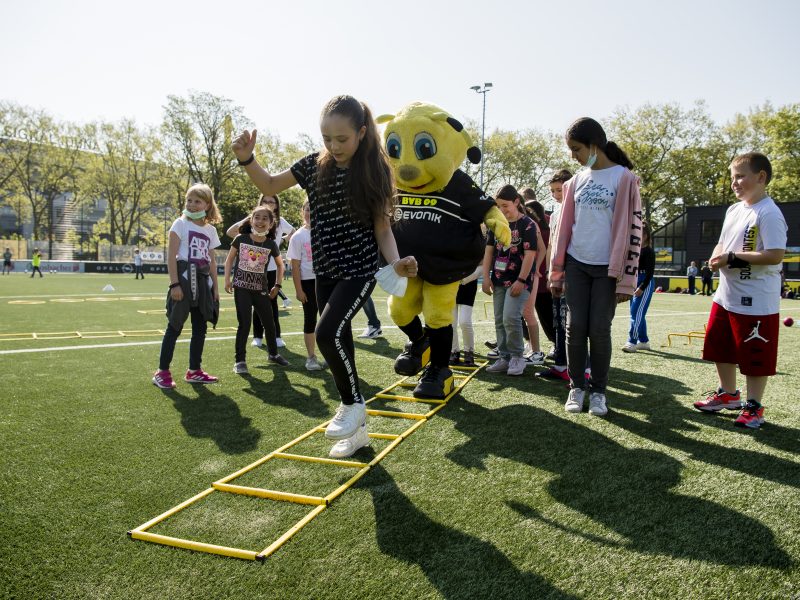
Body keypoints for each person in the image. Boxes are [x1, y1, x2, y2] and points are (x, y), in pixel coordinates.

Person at [232, 94, 417, 459]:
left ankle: (351, 405)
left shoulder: (375, 173)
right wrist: (247, 159)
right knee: (341, 340)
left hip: (359, 270)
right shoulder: (313, 165)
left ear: (361, 132)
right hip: (326, 271)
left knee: (326, 333)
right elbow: (269, 185)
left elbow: (382, 229)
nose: (334, 146)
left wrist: (396, 263)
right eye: (326, 138)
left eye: (342, 138)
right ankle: (359, 433)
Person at [549, 117, 642, 417]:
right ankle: (577, 387)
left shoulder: (625, 178)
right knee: (574, 327)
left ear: (593, 145)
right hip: (576, 264)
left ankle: (599, 391)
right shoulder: (575, 182)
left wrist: (627, 279)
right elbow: (562, 230)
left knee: (599, 329)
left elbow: (634, 230)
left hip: (607, 269)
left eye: (576, 148)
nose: (573, 155)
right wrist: (557, 273)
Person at [693, 152, 787, 429]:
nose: (734, 182)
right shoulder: (734, 210)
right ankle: (729, 394)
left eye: (741, 176)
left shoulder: (769, 212)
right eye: (733, 177)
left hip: (756, 300)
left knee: (755, 354)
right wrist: (716, 257)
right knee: (719, 345)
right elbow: (722, 243)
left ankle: (754, 406)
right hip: (725, 295)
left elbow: (775, 254)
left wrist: (732, 258)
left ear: (761, 177)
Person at [152, 183, 222, 389]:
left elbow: (211, 261)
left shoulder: (210, 230)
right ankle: (162, 372)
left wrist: (215, 288)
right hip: (183, 279)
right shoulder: (180, 224)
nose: (191, 205)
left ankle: (194, 371)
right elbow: (171, 257)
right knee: (174, 326)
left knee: (200, 328)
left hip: (202, 282)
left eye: (197, 201)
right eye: (189, 200)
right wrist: (174, 284)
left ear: (207, 205)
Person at [224, 204, 289, 374]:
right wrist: (227, 280)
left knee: (270, 323)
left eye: (265, 218)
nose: (260, 221)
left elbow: (281, 266)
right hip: (241, 289)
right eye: (257, 217)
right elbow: (229, 259)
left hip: (261, 290)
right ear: (251, 220)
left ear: (271, 223)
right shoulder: (241, 238)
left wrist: (277, 285)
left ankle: (273, 354)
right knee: (244, 324)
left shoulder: (271, 244)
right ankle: (240, 361)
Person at [483, 185, 538, 376]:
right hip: (498, 279)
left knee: (510, 317)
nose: (502, 210)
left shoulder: (528, 224)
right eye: (498, 206)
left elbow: (530, 254)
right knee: (499, 319)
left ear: (516, 202)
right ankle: (504, 357)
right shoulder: (496, 224)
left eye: (505, 206)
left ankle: (517, 357)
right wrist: (486, 277)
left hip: (519, 281)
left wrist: (521, 280)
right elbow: (489, 252)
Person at [537, 169, 573, 382]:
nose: (555, 194)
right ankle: (560, 365)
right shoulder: (555, 214)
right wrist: (550, 272)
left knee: (571, 323)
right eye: (552, 190)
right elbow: (551, 244)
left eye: (559, 190)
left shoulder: (577, 210)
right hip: (556, 274)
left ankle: (580, 368)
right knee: (557, 320)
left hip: (573, 274)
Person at [287, 200, 326, 370]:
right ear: (302, 212)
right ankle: (311, 358)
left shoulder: (326, 232)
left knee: (328, 321)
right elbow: (295, 265)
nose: (311, 213)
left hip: (326, 280)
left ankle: (330, 356)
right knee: (310, 319)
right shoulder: (298, 236)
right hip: (308, 283)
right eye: (308, 209)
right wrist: (299, 290)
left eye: (316, 209)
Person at [520, 192, 550, 365]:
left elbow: (543, 249)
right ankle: (525, 348)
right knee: (516, 314)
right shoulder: (510, 223)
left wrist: (537, 268)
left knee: (528, 312)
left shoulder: (531, 224)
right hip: (514, 275)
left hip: (530, 276)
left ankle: (536, 352)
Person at [622, 222, 655, 352]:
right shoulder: (634, 250)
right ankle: (644, 341)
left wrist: (642, 287)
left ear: (645, 235)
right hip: (634, 281)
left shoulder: (649, 251)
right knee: (636, 312)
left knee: (637, 312)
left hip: (644, 282)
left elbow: (650, 273)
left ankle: (632, 341)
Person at [449, 265, 481, 367]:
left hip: (468, 284)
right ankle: (454, 352)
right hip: (451, 285)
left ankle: (469, 353)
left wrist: (466, 278)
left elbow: (482, 264)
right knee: (451, 323)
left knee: (464, 322)